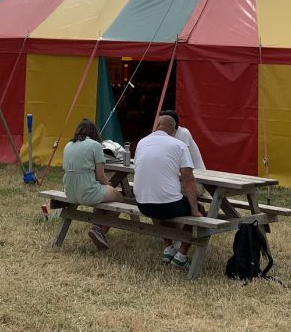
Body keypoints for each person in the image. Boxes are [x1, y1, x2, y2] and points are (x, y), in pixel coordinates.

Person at [133, 114, 203, 270]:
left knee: (161, 205)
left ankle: (168, 248)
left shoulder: (141, 143)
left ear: (158, 125)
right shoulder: (178, 145)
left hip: (142, 204)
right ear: (174, 130)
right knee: (200, 210)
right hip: (167, 206)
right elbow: (188, 179)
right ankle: (181, 255)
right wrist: (194, 209)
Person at [62, 118, 124, 251]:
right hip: (87, 192)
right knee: (119, 198)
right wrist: (109, 186)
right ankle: (100, 230)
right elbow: (100, 176)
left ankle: (97, 228)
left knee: (103, 195)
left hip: (70, 191)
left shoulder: (68, 145)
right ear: (94, 132)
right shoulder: (95, 145)